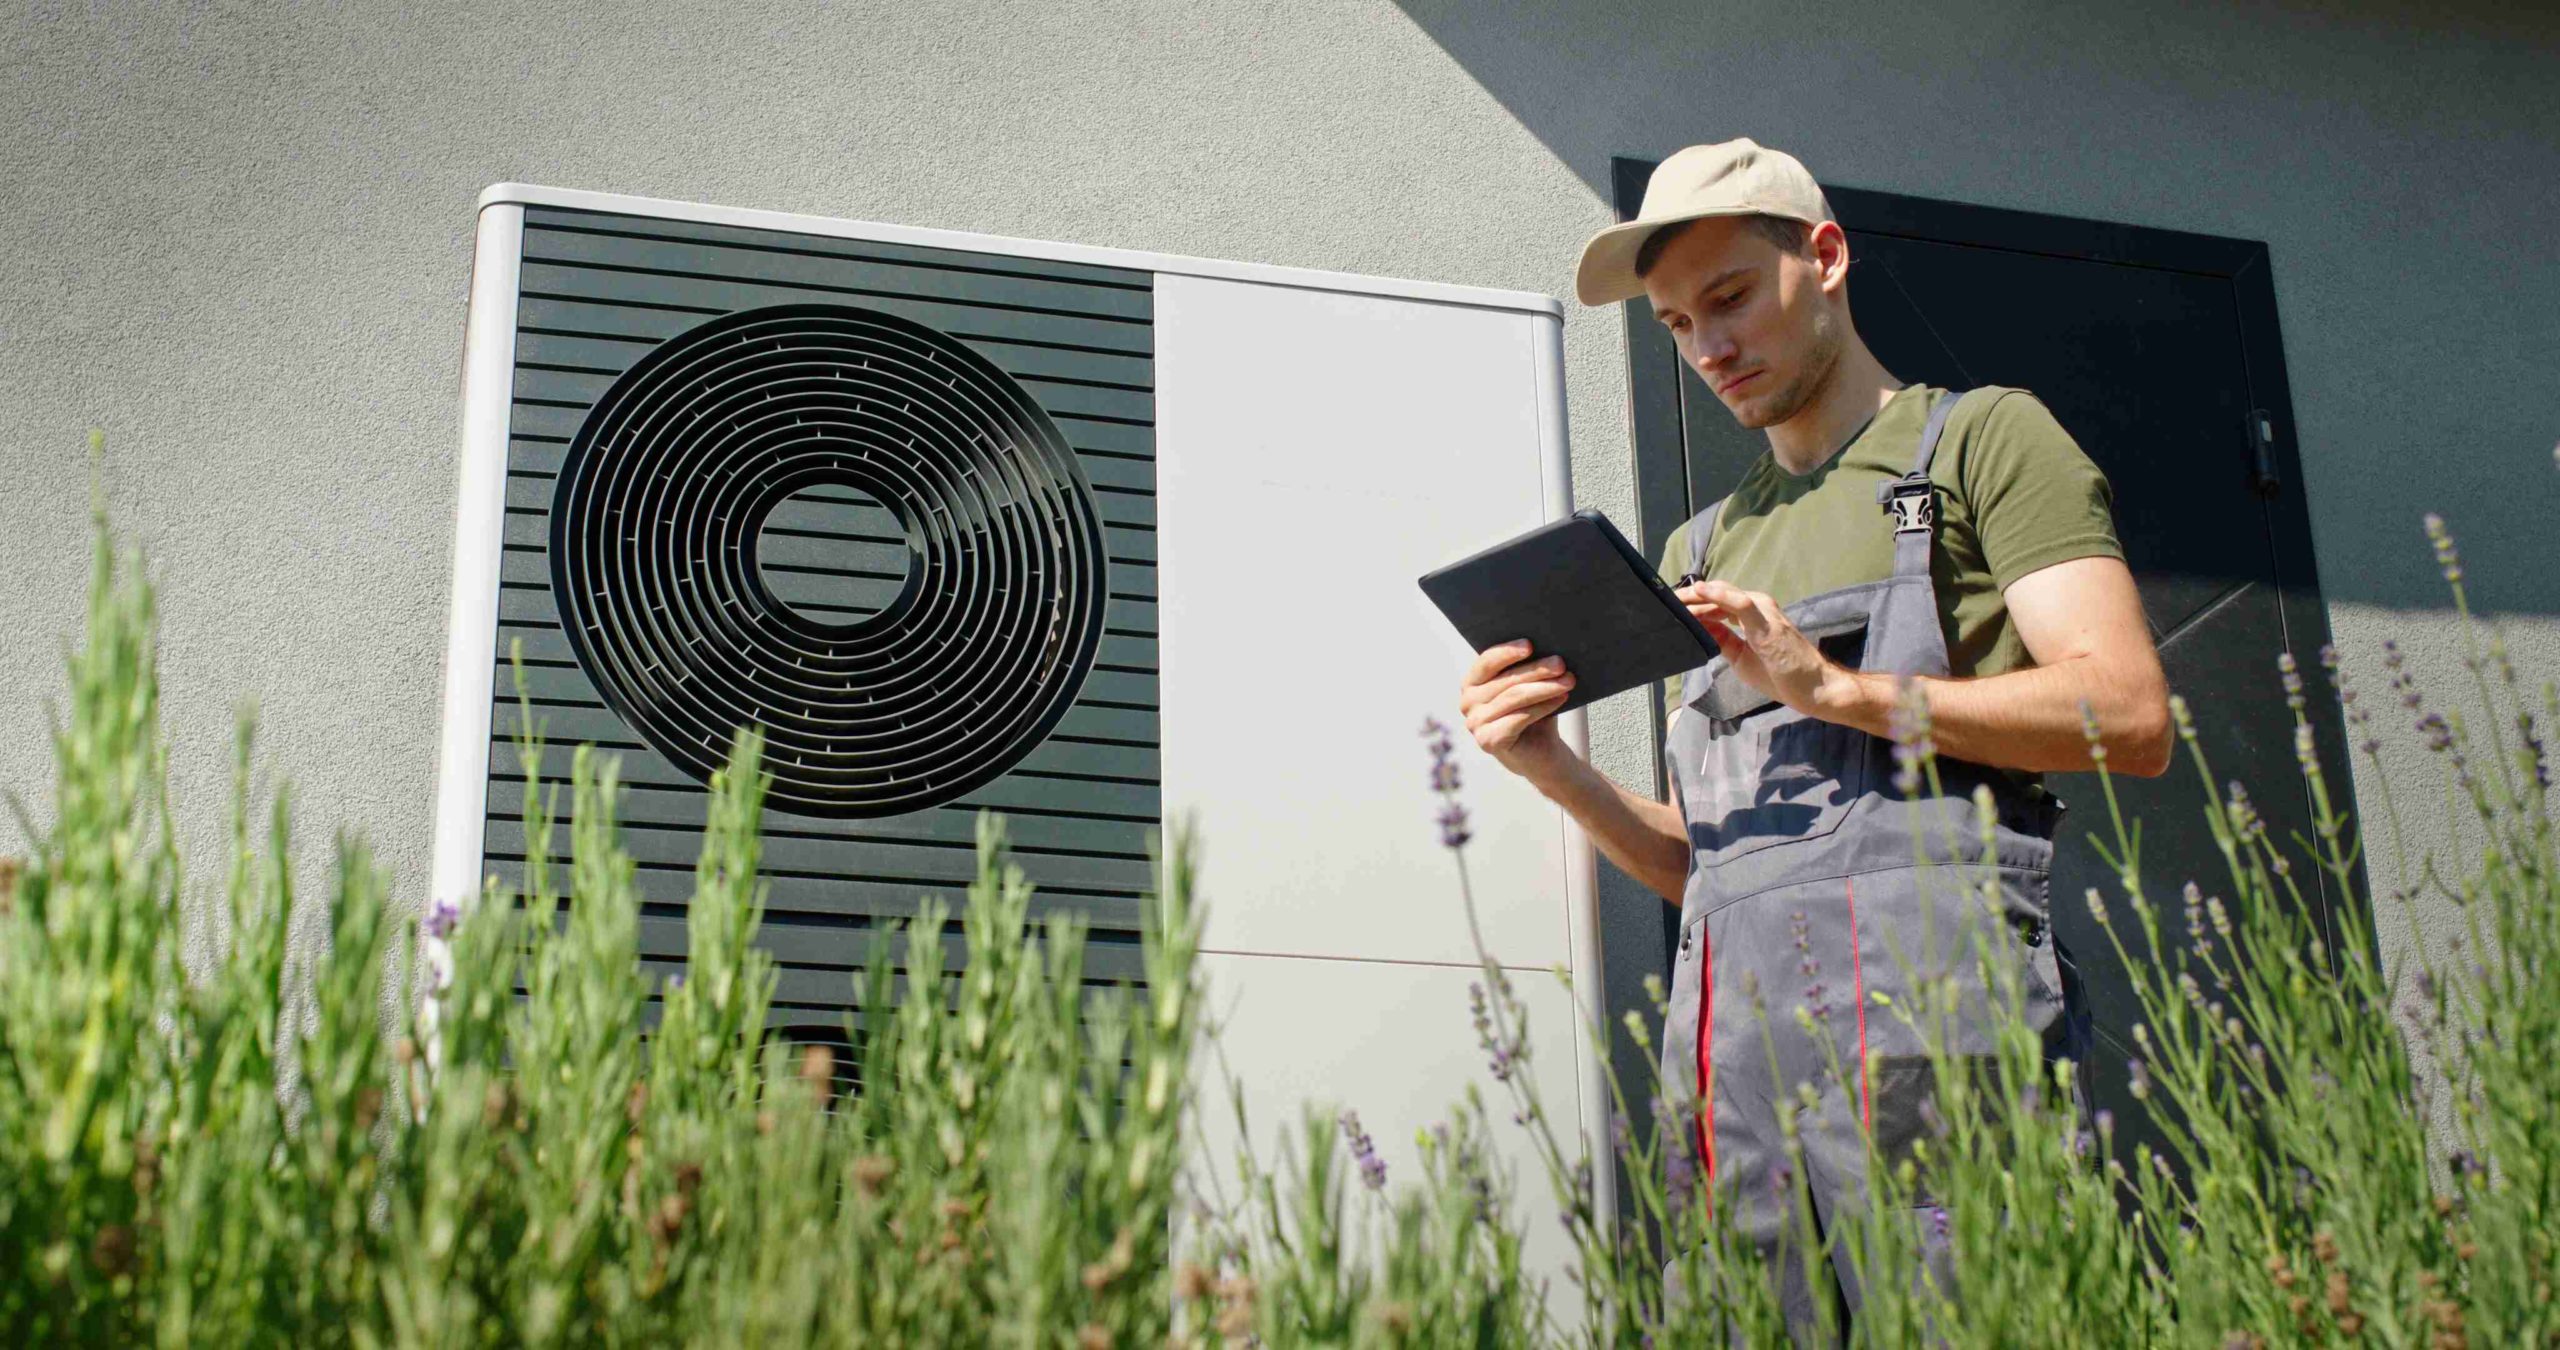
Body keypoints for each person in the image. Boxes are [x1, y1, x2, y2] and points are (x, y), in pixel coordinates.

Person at [1456, 139, 2172, 1337]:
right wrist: (1552, 768)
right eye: (1679, 326)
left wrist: (1834, 689)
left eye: (1729, 298)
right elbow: (1720, 866)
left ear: (1824, 257)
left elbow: (2129, 717)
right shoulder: (1696, 550)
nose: (1709, 349)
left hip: (1929, 1039)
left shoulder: (1980, 443)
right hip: (1733, 1064)